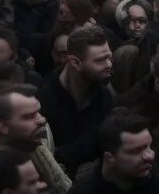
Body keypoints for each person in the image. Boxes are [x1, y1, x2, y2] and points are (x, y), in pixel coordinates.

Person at [36, 25, 115, 174]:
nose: (109, 65)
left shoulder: (104, 98)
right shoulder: (42, 101)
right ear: (75, 62)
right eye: (100, 60)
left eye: (109, 57)